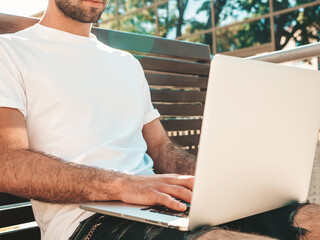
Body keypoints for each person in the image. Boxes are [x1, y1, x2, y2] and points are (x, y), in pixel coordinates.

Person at [0, 0, 319, 239]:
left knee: (310, 219)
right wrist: (122, 185)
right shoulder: (11, 52)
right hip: (86, 223)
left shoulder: (126, 64)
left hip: (161, 205)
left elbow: (161, 147)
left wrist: (217, 180)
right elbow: (7, 163)